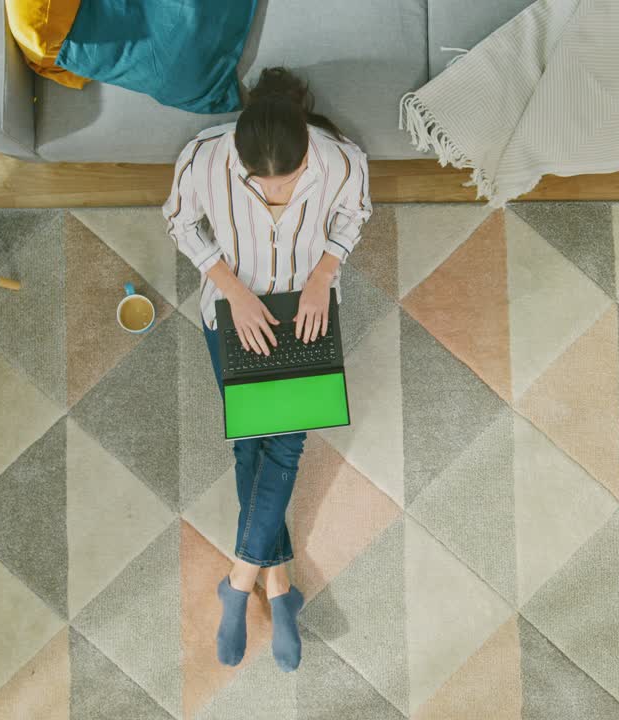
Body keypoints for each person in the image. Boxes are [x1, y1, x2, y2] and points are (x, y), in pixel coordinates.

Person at [163, 67, 372, 672]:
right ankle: (276, 590)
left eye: (292, 183)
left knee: (279, 447)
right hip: (234, 312)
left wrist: (323, 276)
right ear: (239, 156)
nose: (279, 197)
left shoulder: (340, 159)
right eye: (264, 186)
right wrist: (232, 291)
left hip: (307, 310)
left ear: (308, 148)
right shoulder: (203, 159)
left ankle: (242, 581)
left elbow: (352, 215)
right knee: (253, 445)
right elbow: (182, 222)